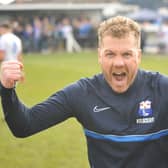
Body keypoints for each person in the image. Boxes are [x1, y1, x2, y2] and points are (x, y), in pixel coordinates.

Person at [0, 16, 168, 168]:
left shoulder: (162, 88)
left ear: (138, 56)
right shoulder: (83, 93)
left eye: (127, 54)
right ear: (99, 56)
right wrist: (7, 89)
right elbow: (24, 125)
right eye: (110, 54)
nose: (118, 63)